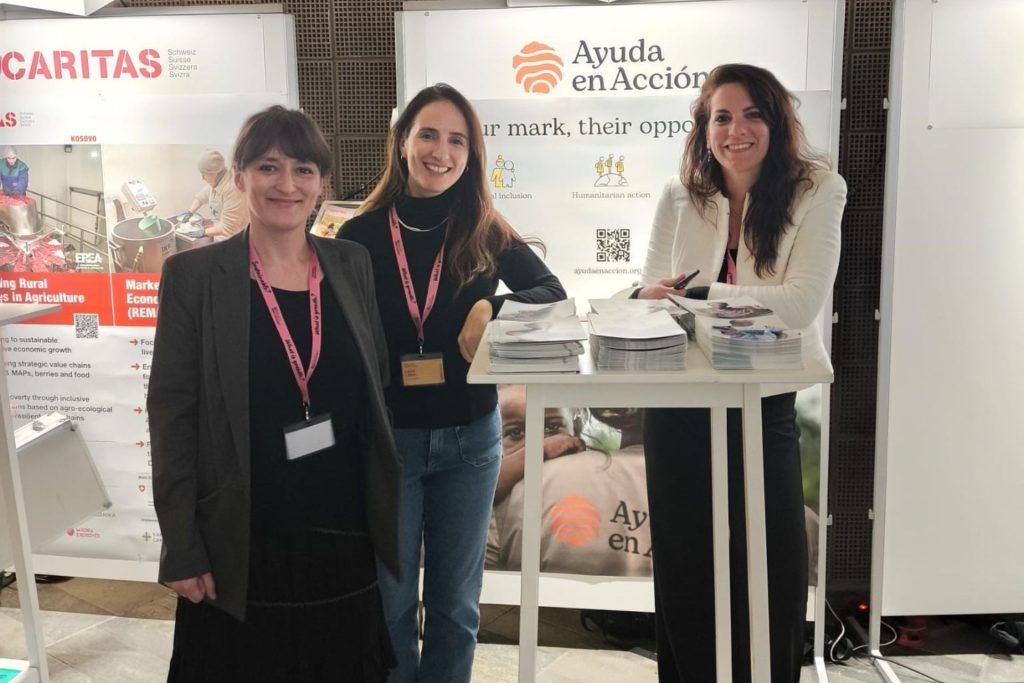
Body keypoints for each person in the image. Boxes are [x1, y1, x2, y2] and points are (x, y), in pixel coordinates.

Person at [149, 106, 400, 682]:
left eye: (303, 169)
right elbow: (172, 417)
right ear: (239, 177)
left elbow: (375, 390)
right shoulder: (194, 277)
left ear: (321, 184)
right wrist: (181, 546)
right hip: (242, 538)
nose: (287, 184)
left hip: (342, 531)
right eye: (268, 167)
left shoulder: (351, 264)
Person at [338, 83, 565, 683]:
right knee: (389, 604)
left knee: (456, 608)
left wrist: (492, 306)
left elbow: (551, 292)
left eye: (457, 140)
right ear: (403, 143)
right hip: (390, 442)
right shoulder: (360, 234)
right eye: (429, 135)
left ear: (472, 153)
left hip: (470, 441)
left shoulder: (483, 228)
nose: (441, 152)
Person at [635, 63, 846, 682]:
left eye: (752, 114)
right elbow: (649, 294)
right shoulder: (679, 194)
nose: (736, 130)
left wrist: (700, 295)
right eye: (721, 117)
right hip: (678, 402)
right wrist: (652, 296)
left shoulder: (818, 189)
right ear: (704, 129)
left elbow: (800, 305)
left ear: (776, 122)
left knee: (771, 564)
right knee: (684, 565)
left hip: (761, 400)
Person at [487, 386, 652, 577]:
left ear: (577, 428)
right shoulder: (500, 490)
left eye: (552, 428)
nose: (541, 440)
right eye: (516, 433)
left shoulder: (589, 475)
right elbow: (479, 491)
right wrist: (536, 453)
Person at [187, 149, 249, 238]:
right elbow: (201, 197)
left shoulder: (233, 189)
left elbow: (228, 228)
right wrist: (190, 212)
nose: (202, 178)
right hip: (223, 233)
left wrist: (204, 232)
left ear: (214, 172)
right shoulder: (218, 182)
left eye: (204, 174)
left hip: (237, 237)